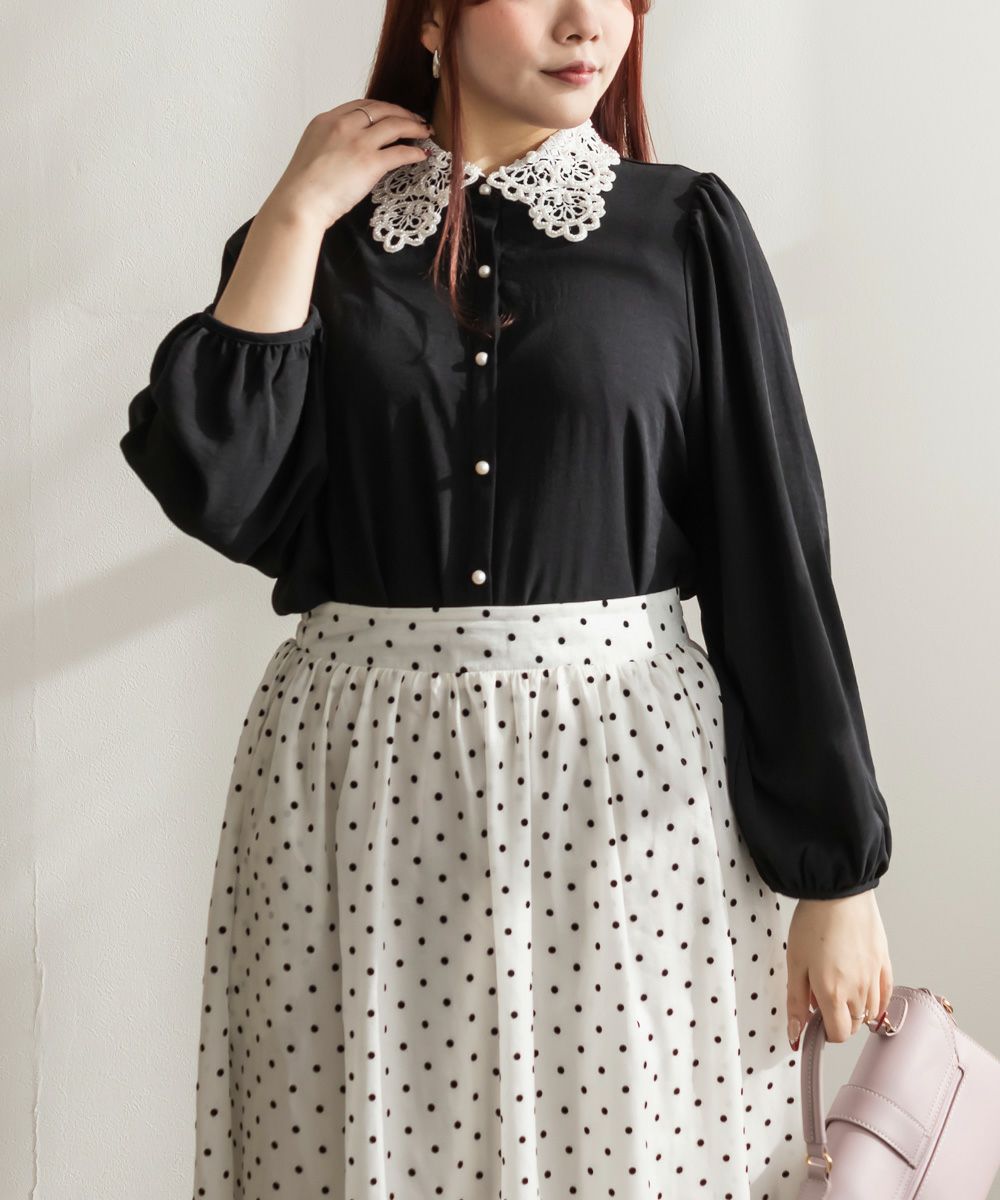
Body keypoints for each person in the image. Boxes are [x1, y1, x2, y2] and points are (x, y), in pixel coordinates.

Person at [119, 1, 894, 1196]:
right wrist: (294, 211)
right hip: (355, 781)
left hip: (621, 778)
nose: (587, 24)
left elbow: (773, 552)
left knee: (622, 1152)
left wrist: (836, 875)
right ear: (434, 15)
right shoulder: (320, 239)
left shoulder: (681, 231)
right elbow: (213, 480)